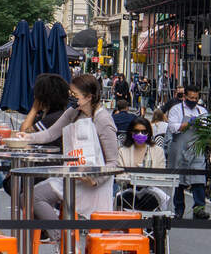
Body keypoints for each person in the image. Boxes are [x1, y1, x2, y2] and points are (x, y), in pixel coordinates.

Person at [19, 74, 118, 222]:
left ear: (89, 97)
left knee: (34, 196)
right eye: (70, 94)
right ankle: (61, 240)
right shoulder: (74, 111)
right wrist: (27, 137)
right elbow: (51, 133)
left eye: (75, 95)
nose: (71, 98)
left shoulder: (103, 120)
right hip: (72, 176)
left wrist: (95, 179)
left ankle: (65, 240)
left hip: (93, 183)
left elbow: (113, 162)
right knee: (29, 197)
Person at [165, 85, 210, 219]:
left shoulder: (202, 111)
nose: (194, 100)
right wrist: (188, 124)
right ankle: (179, 209)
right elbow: (173, 127)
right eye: (191, 97)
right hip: (180, 149)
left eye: (196, 98)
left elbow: (207, 128)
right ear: (185, 97)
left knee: (198, 178)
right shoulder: (176, 110)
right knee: (179, 181)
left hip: (196, 150)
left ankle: (199, 208)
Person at [117, 113, 170, 212]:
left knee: (150, 199)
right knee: (125, 198)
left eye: (143, 131)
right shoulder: (123, 151)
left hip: (151, 191)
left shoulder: (158, 151)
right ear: (131, 133)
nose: (140, 134)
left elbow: (161, 175)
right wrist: (132, 179)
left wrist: (145, 179)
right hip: (129, 190)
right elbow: (120, 177)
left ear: (149, 133)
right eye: (136, 131)